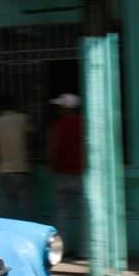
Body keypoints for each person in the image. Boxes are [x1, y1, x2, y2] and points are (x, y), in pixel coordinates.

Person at [48, 92, 86, 257]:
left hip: (62, 173)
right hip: (81, 173)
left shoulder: (59, 125)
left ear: (65, 108)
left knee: (61, 213)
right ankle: (85, 250)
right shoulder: (85, 123)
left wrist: (52, 164)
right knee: (84, 213)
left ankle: (60, 250)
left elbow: (53, 147)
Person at [0, 92, 31, 219]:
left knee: (7, 210)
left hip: (4, 170)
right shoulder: (23, 118)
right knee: (26, 209)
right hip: (22, 169)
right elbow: (31, 140)